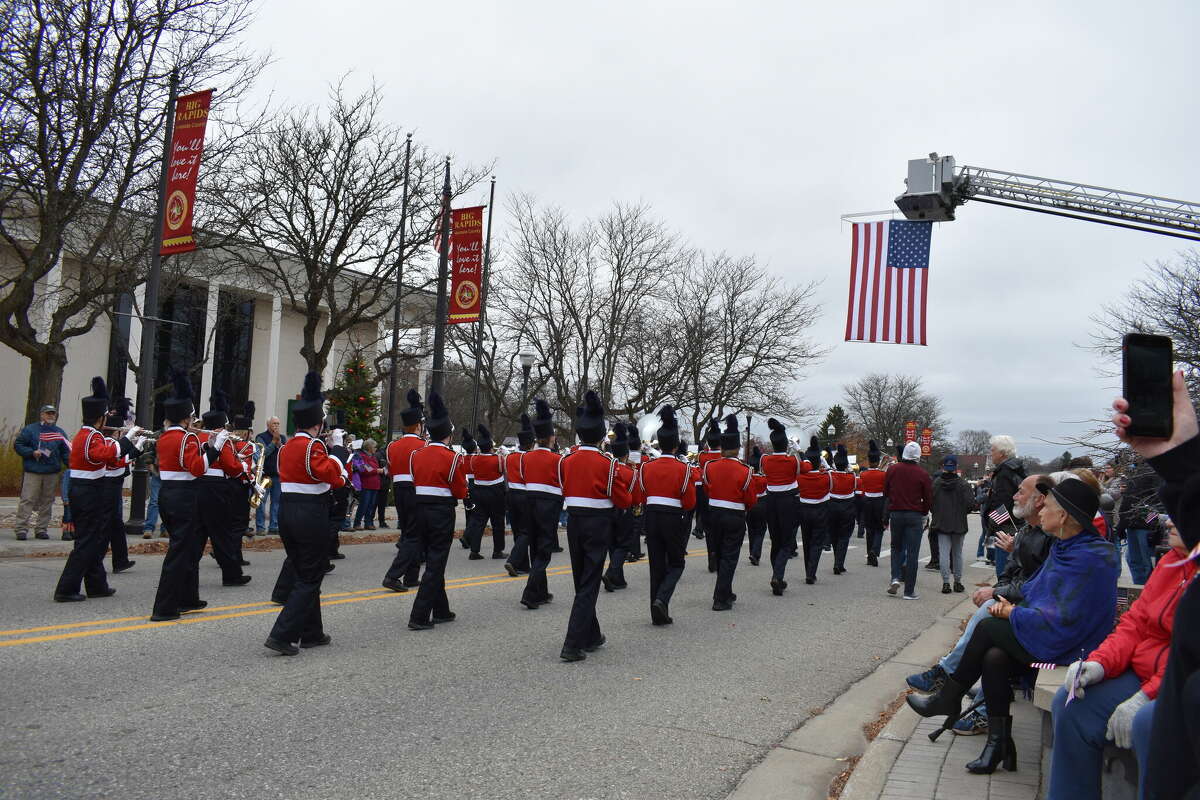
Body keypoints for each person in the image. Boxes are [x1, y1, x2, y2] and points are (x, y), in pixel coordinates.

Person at [908, 478, 1119, 774]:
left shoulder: (1092, 556)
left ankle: (948, 698)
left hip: (1071, 653)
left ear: (1064, 517)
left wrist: (1012, 614)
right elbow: (1036, 591)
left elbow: (1067, 620)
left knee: (989, 627)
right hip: (1051, 639)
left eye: (1049, 506)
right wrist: (1008, 603)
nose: (1041, 509)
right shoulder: (1065, 547)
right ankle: (998, 745)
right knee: (995, 658)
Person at [1047, 514, 1195, 800]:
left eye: (1180, 512)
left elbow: (1190, 654)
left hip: (1178, 684)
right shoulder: (1172, 561)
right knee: (1071, 703)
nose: (1167, 522)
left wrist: (1147, 695)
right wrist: (1099, 664)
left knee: (1150, 722)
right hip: (1145, 672)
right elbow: (1136, 622)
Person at [906, 473, 1056, 738]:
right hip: (1034, 616)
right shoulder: (1028, 532)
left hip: (1053, 639)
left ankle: (948, 686)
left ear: (1042, 500)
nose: (1014, 496)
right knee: (993, 650)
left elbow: (1044, 590)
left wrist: (1001, 595)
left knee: (988, 627)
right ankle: (995, 737)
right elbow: (1014, 574)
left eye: (1021, 491)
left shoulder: (1068, 545)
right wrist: (1002, 593)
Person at [1109, 369, 1200, 800]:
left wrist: (1154, 522)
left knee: (1140, 563)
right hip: (1158, 674)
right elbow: (1136, 622)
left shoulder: (1142, 484)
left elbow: (1145, 511)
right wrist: (1179, 459)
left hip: (1142, 529)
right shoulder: (1172, 560)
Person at [263, 372, 345, 654]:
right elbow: (334, 477)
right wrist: (340, 453)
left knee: (304, 572)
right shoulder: (313, 446)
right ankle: (282, 635)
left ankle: (312, 632)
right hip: (311, 514)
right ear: (318, 423)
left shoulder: (286, 447)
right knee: (311, 576)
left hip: (288, 512)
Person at [53, 378, 142, 602]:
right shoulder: (91, 435)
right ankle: (66, 588)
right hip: (88, 490)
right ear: (100, 418)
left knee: (92, 539)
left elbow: (109, 458)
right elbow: (106, 455)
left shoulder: (87, 435)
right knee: (86, 542)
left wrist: (130, 446)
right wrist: (128, 439)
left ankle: (96, 584)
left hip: (88, 488)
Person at [559, 391, 632, 662]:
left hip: (574, 523)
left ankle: (591, 634)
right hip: (598, 524)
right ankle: (572, 644)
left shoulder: (566, 460)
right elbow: (622, 498)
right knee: (588, 583)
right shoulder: (608, 462)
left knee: (582, 580)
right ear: (602, 436)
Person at [148, 371, 213, 621]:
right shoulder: (186, 438)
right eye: (191, 418)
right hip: (184, 495)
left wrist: (205, 448)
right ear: (186, 419)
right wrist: (214, 450)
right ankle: (164, 607)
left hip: (168, 493)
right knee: (179, 552)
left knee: (187, 549)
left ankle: (188, 597)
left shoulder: (165, 437)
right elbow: (197, 468)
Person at [406, 392, 468, 631]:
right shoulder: (452, 458)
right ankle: (419, 615)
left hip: (418, 508)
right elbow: (460, 491)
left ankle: (441, 609)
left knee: (433, 559)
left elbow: (414, 480)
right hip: (441, 511)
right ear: (448, 434)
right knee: (436, 561)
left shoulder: (416, 454)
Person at [636, 405, 697, 625]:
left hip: (651, 516)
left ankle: (657, 613)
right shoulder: (684, 468)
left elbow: (642, 496)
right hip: (673, 517)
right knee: (677, 563)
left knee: (656, 565)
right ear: (675, 445)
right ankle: (662, 599)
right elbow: (689, 501)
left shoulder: (646, 467)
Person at [702, 415, 760, 611]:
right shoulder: (745, 470)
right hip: (734, 515)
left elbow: (707, 489)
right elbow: (751, 500)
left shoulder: (710, 466)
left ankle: (726, 591)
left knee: (720, 554)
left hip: (714, 513)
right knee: (729, 557)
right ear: (736, 448)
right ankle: (720, 597)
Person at [196, 391, 250, 587]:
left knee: (200, 533)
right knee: (223, 533)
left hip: (200, 485)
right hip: (218, 488)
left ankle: (189, 570)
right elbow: (229, 464)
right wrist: (242, 466)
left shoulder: (199, 438)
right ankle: (232, 574)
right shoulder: (222, 439)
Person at [520, 399, 564, 609]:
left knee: (534, 547)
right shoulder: (557, 460)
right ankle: (530, 593)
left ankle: (541, 591)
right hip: (549, 505)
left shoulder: (526, 457)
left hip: (530, 502)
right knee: (544, 550)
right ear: (550, 437)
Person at [382, 390, 426, 592]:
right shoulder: (422, 445)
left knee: (410, 531)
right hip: (415, 489)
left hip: (398, 489)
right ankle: (393, 575)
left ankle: (411, 576)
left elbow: (390, 469)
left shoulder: (392, 445)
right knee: (414, 535)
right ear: (418, 425)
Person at [14, 404, 71, 541]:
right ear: (42, 415)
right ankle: (21, 528)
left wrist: (72, 465)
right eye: (48, 413)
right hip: (33, 470)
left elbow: (65, 452)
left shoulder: (59, 432)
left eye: (53, 413)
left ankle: (41, 529)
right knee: (28, 499)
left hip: (52, 472)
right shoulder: (30, 430)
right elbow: (18, 445)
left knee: (47, 501)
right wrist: (31, 452)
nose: (51, 416)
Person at [759, 419, 803, 594]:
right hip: (788, 502)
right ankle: (777, 576)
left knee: (775, 541)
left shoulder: (765, 460)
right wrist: (799, 450)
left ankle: (777, 575)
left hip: (771, 501)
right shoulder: (792, 460)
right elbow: (806, 467)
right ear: (785, 444)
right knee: (786, 542)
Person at [885, 440, 932, 600]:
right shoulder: (923, 474)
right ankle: (909, 591)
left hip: (896, 513)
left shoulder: (892, 470)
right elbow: (928, 498)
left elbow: (886, 491)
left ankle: (895, 577)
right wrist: (924, 513)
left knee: (896, 548)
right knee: (913, 553)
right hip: (914, 514)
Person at [931, 455, 975, 594]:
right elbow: (970, 504)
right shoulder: (963, 484)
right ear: (956, 467)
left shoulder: (936, 483)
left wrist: (938, 513)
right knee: (957, 553)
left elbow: (931, 503)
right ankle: (957, 581)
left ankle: (945, 583)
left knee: (944, 553)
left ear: (943, 467)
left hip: (942, 521)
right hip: (959, 522)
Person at [101, 397, 136, 574]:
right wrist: (135, 448)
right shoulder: (111, 443)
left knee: (116, 525)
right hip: (109, 484)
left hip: (113, 484)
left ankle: (120, 559)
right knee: (109, 523)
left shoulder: (111, 442)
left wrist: (136, 448)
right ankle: (99, 558)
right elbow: (117, 462)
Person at [983, 435, 1025, 577]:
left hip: (1005, 529)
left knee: (1003, 573)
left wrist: (992, 523)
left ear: (1002, 453)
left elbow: (1004, 503)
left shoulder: (1005, 472)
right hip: (1016, 525)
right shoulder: (1015, 469)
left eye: (993, 450)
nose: (990, 453)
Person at [1115, 457, 1161, 585]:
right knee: (1134, 560)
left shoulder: (1154, 470)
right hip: (1132, 524)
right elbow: (1128, 501)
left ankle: (1149, 592)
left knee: (1147, 563)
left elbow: (1159, 501)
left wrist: (1151, 521)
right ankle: (1139, 590)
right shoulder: (1136, 471)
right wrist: (1122, 524)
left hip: (1145, 527)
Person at [463, 424, 506, 559]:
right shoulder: (498, 459)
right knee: (498, 522)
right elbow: (503, 471)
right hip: (496, 493)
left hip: (479, 492)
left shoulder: (474, 459)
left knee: (479, 522)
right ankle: (497, 551)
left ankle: (474, 551)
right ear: (490, 446)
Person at [503, 414, 535, 577]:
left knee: (517, 531)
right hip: (524, 495)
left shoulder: (509, 456)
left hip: (511, 495)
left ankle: (522, 565)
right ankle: (514, 560)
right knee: (527, 531)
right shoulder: (529, 458)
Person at [796, 436, 830, 584]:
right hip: (820, 511)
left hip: (804, 510)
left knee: (806, 541)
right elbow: (830, 471)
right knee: (816, 543)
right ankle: (811, 572)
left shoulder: (800, 478)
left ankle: (807, 570)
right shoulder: (826, 477)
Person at [827, 444, 858, 575]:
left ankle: (837, 561)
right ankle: (839, 563)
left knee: (834, 535)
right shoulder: (851, 476)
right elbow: (854, 487)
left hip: (832, 507)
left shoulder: (830, 475)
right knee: (844, 537)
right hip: (847, 508)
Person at [696, 420, 722, 570]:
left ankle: (711, 557)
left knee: (709, 530)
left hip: (706, 495)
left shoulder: (702, 456)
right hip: (720, 496)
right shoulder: (723, 457)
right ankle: (718, 557)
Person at [254, 416, 286, 534]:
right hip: (264, 475)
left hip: (277, 475)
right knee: (261, 502)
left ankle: (274, 526)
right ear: (268, 425)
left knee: (276, 502)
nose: (276, 426)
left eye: (278, 424)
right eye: (274, 424)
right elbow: (262, 454)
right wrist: (273, 442)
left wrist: (280, 444)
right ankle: (261, 527)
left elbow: (285, 454)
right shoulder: (261, 437)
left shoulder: (282, 438)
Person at [857, 441, 887, 566]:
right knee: (879, 529)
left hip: (867, 502)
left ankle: (870, 555)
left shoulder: (863, 474)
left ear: (869, 461)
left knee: (869, 529)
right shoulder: (883, 474)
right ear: (878, 461)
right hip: (880, 502)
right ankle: (875, 550)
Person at [351, 439, 382, 530]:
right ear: (369, 447)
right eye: (374, 447)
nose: (376, 448)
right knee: (364, 505)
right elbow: (364, 470)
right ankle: (357, 523)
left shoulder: (373, 457)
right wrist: (377, 470)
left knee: (371, 506)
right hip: (366, 484)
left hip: (375, 484)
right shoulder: (362, 456)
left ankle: (368, 523)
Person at [745, 446, 768, 567]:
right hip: (762, 503)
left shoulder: (748, 477)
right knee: (761, 530)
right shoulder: (764, 478)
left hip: (750, 505)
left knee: (752, 530)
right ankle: (755, 553)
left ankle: (752, 552)